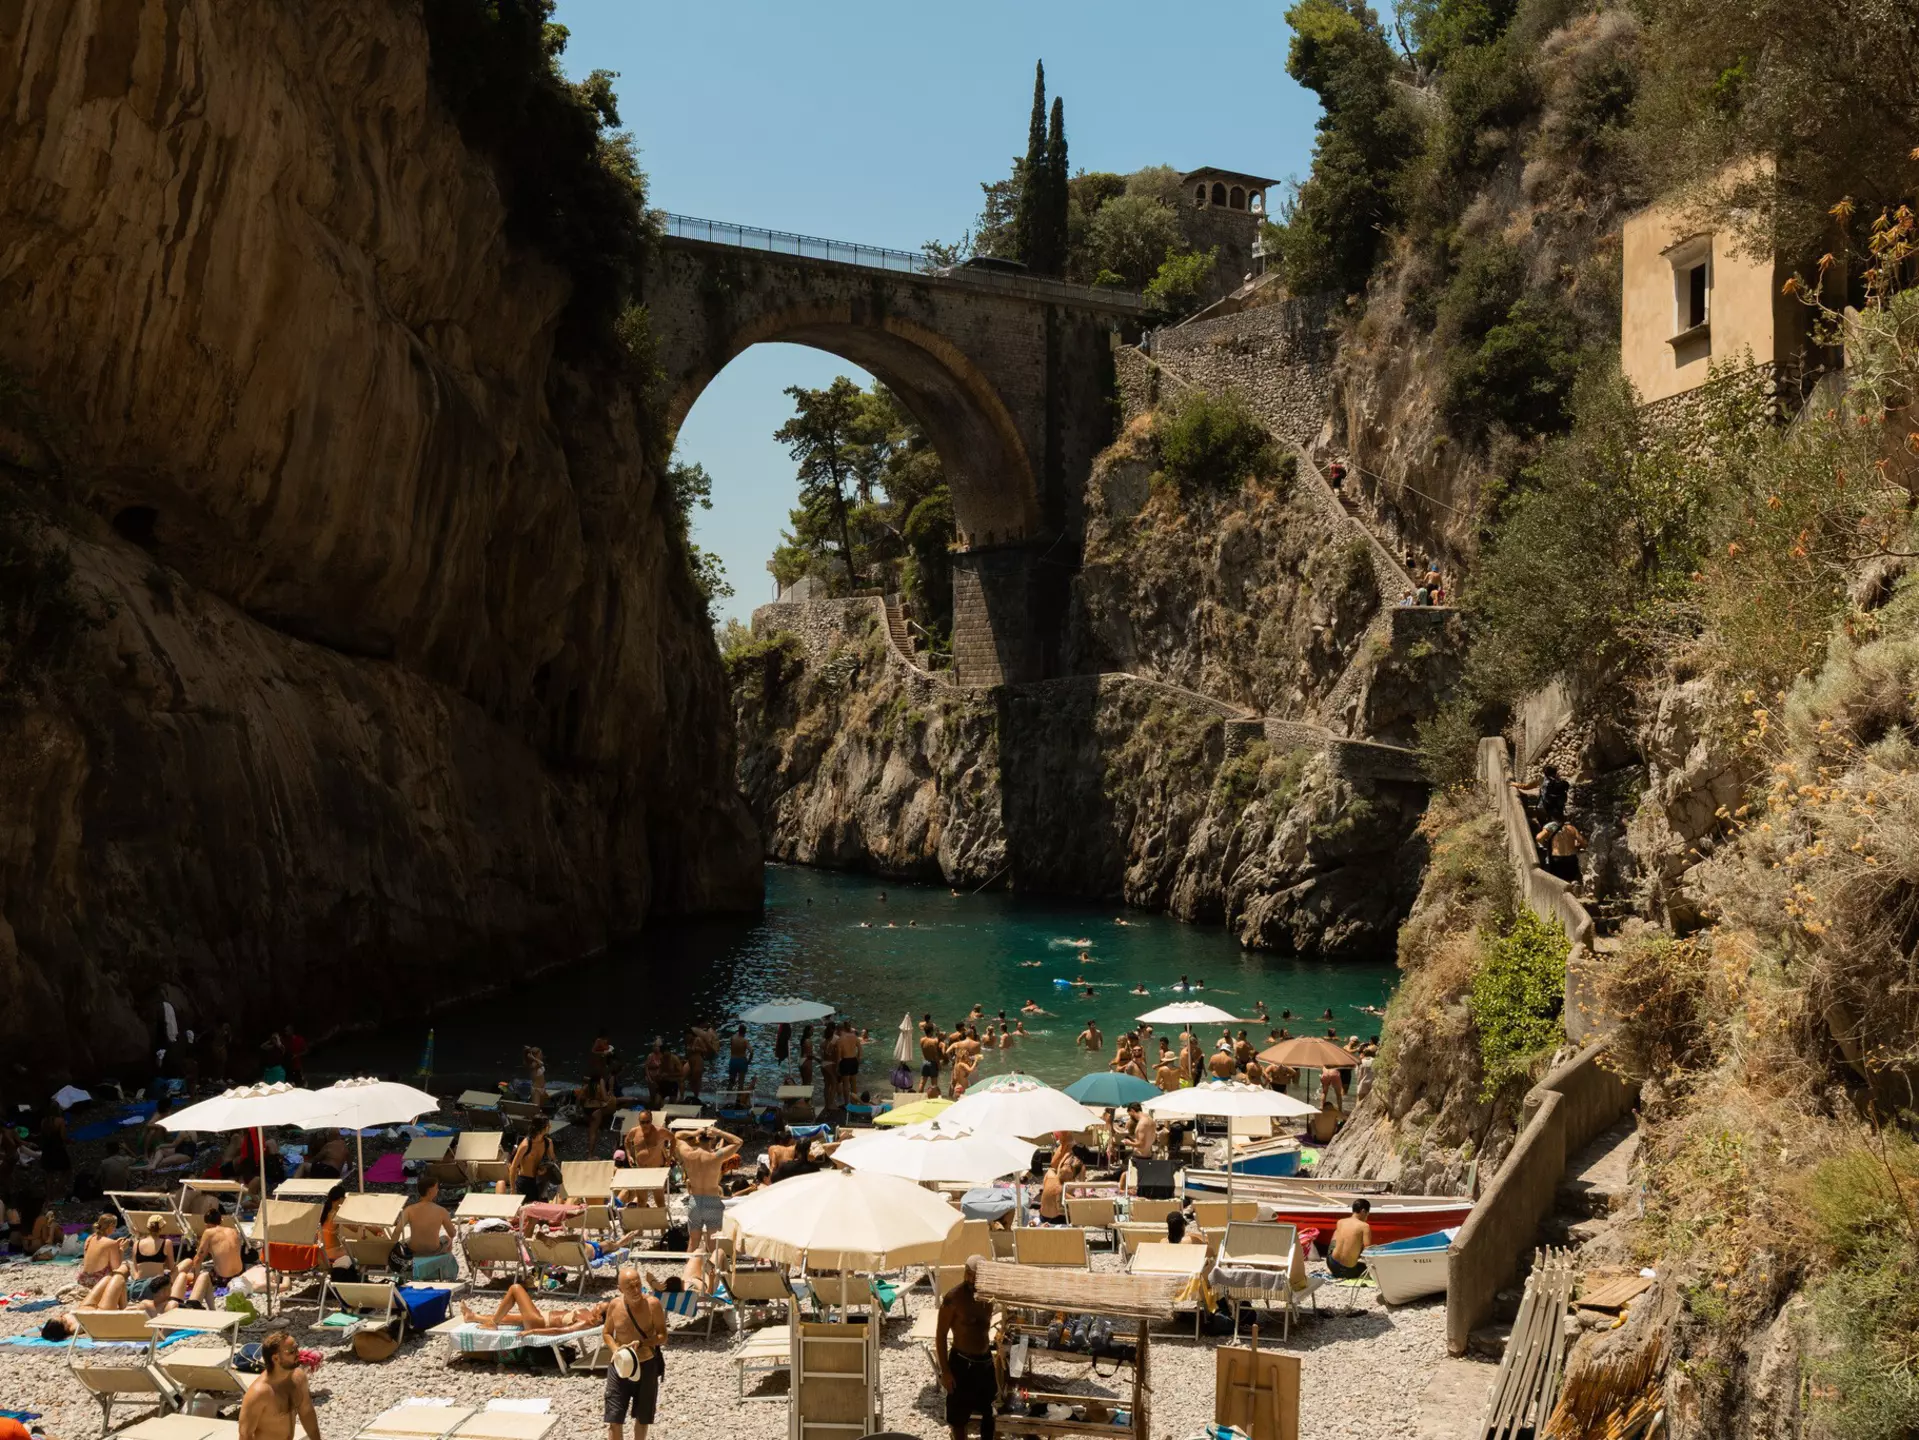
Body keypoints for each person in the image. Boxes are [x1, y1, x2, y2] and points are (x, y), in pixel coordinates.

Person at [603, 1265, 667, 1440]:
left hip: (646, 1363)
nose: (636, 1290)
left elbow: (662, 1335)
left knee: (643, 1417)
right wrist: (616, 1350)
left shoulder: (653, 1305)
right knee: (614, 1418)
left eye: (638, 1285)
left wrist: (644, 1343)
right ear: (620, 1289)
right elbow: (607, 1333)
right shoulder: (615, 1306)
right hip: (620, 1366)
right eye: (630, 1287)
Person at [937, 1257, 998, 1440]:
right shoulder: (954, 1298)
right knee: (958, 1419)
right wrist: (945, 1372)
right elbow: (940, 1336)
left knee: (991, 1412)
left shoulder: (989, 1296)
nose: (971, 1280)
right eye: (969, 1275)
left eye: (976, 1276)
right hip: (962, 1363)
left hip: (985, 1362)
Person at [238, 1330, 321, 1440]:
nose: (298, 1353)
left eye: (297, 1348)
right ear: (276, 1358)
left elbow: (306, 1412)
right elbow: (245, 1435)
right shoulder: (260, 1393)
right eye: (292, 1351)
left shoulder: (298, 1378)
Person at [674, 1126, 741, 1253]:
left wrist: (694, 1132)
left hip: (695, 1201)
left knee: (693, 1242)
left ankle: (688, 1271)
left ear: (698, 1139)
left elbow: (677, 1135)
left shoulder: (688, 1154)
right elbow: (738, 1141)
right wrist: (719, 1131)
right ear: (712, 1140)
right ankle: (713, 1272)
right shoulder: (716, 1156)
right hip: (712, 1201)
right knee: (712, 1243)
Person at [172, 1203, 245, 1307]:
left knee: (187, 1275)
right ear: (221, 1221)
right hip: (239, 1272)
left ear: (206, 1224)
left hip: (222, 1277)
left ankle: (174, 1280)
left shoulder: (209, 1232)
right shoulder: (233, 1231)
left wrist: (195, 1282)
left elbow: (198, 1259)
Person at [461, 1283, 605, 1335]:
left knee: (516, 1288)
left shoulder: (586, 1321)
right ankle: (472, 1317)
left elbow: (560, 1331)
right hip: (543, 1316)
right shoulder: (589, 1314)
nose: (596, 1305)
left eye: (599, 1307)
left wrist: (532, 1331)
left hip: (539, 1323)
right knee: (508, 1316)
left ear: (600, 1317)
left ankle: (493, 1324)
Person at [404, 1178, 459, 1281]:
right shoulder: (441, 1211)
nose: (437, 1190)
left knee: (407, 1240)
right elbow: (452, 1233)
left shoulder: (409, 1209)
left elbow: (398, 1230)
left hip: (414, 1251)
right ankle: (441, 1273)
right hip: (433, 1250)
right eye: (436, 1188)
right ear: (430, 1191)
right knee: (446, 1238)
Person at [507, 1116, 556, 1202]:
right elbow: (513, 1167)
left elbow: (553, 1161)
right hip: (525, 1181)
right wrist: (513, 1189)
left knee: (541, 1212)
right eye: (548, 1125)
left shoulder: (548, 1142)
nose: (550, 1127)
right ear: (540, 1128)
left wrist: (545, 1168)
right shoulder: (525, 1145)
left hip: (540, 1181)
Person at [318, 1185, 357, 1283]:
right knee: (356, 1254)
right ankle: (353, 1280)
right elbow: (355, 1229)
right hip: (332, 1254)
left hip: (320, 1255)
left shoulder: (322, 1212)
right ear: (340, 1199)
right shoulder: (336, 1214)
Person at [1539, 812, 1588, 886]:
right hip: (1571, 858)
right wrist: (1578, 847)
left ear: (1552, 818)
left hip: (1557, 858)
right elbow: (1584, 843)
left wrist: (1545, 844)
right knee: (1571, 880)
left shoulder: (1550, 827)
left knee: (1558, 882)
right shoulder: (1571, 828)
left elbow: (1538, 837)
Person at [1328, 1199, 1373, 1279]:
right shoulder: (1364, 1226)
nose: (1367, 1217)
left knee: (1337, 1233)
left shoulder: (1340, 1222)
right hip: (1347, 1271)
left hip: (1331, 1264)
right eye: (1367, 1214)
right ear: (1363, 1211)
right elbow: (1367, 1250)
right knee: (1363, 1268)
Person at [581, 1072, 616, 1159]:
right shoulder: (599, 1087)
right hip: (596, 1109)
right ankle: (590, 1156)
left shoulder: (587, 1086)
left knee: (590, 1131)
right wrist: (609, 1097)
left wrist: (581, 1108)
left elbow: (580, 1098)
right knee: (593, 1133)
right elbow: (605, 1098)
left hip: (586, 1109)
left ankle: (589, 1151)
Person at [727, 1025, 752, 1093]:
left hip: (733, 1060)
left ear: (738, 1030)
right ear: (745, 1032)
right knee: (741, 1084)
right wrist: (749, 1060)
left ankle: (727, 1097)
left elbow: (731, 1046)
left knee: (731, 1081)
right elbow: (751, 1051)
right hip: (742, 1061)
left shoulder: (733, 1038)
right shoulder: (745, 1041)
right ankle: (738, 1100)